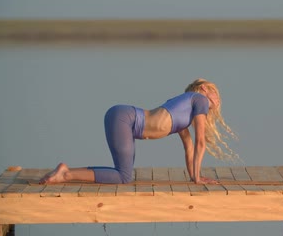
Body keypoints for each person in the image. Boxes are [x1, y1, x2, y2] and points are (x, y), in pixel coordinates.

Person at [40, 78, 237, 185]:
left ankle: (65, 171)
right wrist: (197, 179)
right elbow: (201, 142)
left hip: (124, 120)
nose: (217, 99)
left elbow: (190, 148)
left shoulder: (184, 115)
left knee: (122, 174)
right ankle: (65, 175)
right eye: (215, 93)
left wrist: (194, 175)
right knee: (124, 177)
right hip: (125, 119)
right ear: (204, 89)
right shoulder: (199, 99)